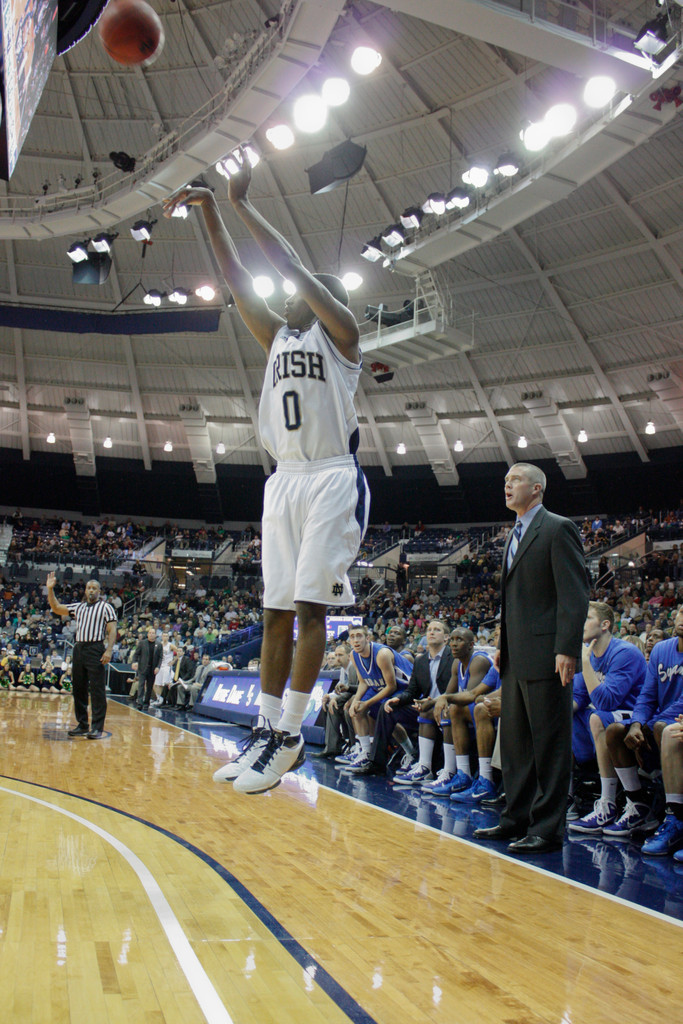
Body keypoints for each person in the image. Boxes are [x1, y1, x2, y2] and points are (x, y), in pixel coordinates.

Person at [165, 148, 368, 793]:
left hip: (331, 478)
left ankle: (292, 736)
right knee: (275, 613)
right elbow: (235, 280)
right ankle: (268, 728)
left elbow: (291, 267)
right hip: (282, 482)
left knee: (310, 609)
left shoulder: (342, 336)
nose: (294, 293)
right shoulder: (277, 337)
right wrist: (208, 215)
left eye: (308, 287)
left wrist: (241, 200)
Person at [474, 463, 589, 854]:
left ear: (537, 488)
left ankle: (548, 828)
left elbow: (574, 595)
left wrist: (567, 648)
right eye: (504, 480)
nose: (507, 485)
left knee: (550, 746)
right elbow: (514, 600)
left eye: (515, 480)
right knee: (517, 745)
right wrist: (503, 640)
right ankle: (515, 818)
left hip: (548, 655)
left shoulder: (558, 528)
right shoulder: (513, 535)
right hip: (516, 655)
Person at [600, 605, 683, 840]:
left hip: (671, 726)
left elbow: (679, 705)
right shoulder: (661, 651)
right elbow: (646, 696)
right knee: (616, 732)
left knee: (662, 727)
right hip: (659, 726)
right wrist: (636, 725)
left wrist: (646, 726)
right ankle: (639, 805)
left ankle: (674, 815)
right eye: (682, 612)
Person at [568, 601, 646, 834]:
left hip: (635, 715)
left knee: (597, 717)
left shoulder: (625, 652)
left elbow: (606, 701)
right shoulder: (589, 654)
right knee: (563, 718)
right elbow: (579, 697)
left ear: (605, 624)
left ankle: (607, 804)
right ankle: (567, 798)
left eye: (587, 618)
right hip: (606, 714)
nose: (580, 623)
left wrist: (584, 663)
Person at [46, 573, 117, 739]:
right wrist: (50, 589)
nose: (91, 590)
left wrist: (109, 650)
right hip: (79, 648)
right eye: (89, 588)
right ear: (85, 591)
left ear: (99, 591)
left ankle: (97, 728)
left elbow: (112, 629)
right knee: (79, 688)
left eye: (94, 588)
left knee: (97, 689)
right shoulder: (79, 607)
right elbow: (56, 607)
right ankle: (83, 724)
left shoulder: (106, 607)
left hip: (95, 648)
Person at [344, 624, 413, 772]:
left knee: (386, 711)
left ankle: (411, 753)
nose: (356, 640)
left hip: (404, 688)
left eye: (359, 636)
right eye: (352, 637)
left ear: (367, 638)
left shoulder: (381, 654)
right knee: (356, 709)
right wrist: (356, 701)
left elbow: (391, 686)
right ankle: (366, 753)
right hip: (379, 687)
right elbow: (363, 681)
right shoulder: (353, 655)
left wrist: (367, 703)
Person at [131, 627, 162, 709]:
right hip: (142, 668)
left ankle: (146, 703)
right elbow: (136, 654)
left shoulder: (159, 645)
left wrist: (158, 667)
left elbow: (160, 658)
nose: (151, 635)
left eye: (153, 633)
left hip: (153, 669)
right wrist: (134, 662)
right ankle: (140, 703)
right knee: (141, 685)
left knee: (149, 687)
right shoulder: (142, 643)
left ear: (155, 635)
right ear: (148, 634)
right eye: (150, 633)